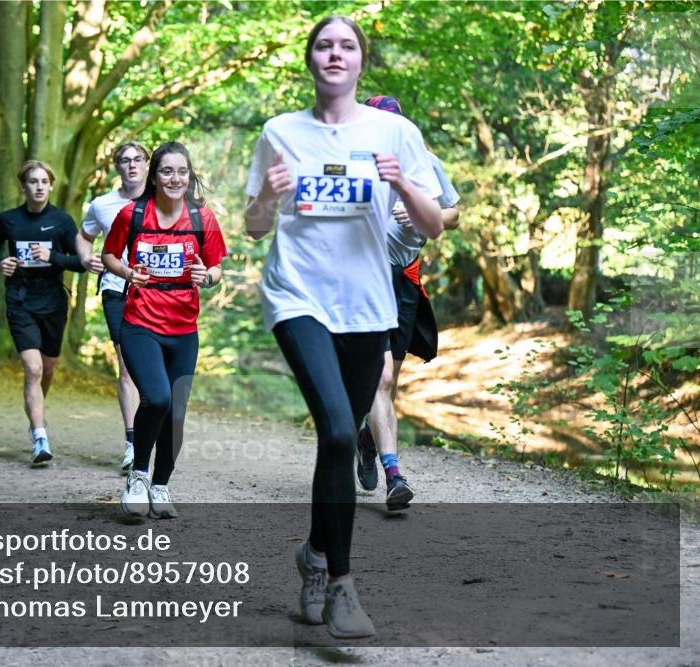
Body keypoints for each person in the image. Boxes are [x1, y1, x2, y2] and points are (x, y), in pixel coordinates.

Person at [244, 16, 443, 638]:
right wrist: (269, 198)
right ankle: (341, 588)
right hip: (297, 297)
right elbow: (253, 225)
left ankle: (314, 553)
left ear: (361, 61)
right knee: (337, 428)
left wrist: (401, 181)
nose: (336, 54)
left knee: (338, 439)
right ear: (310, 59)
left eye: (347, 46)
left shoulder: (395, 132)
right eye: (325, 45)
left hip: (368, 308)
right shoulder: (280, 132)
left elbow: (434, 225)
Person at [102, 141, 226, 519]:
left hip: (184, 329)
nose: (175, 178)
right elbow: (108, 255)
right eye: (167, 171)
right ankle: (138, 475)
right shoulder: (133, 214)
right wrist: (125, 271)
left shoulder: (202, 219)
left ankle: (160, 485)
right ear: (154, 177)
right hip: (140, 322)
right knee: (157, 398)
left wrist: (208, 277)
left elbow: (217, 266)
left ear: (190, 177)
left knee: (176, 413)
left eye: (182, 171)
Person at [355, 95, 461, 510]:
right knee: (379, 380)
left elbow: (453, 216)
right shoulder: (353, 165)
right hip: (362, 279)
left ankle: (368, 438)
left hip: (403, 281)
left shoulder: (424, 163)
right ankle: (394, 477)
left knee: (388, 382)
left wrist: (426, 210)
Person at [0, 160, 85, 465]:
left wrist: (53, 257)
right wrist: (1, 262)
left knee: (48, 368)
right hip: (21, 300)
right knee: (33, 368)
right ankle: (39, 436)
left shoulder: (62, 221)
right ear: (23, 186)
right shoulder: (9, 220)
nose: (39, 187)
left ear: (51, 186)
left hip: (53, 301)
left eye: (44, 181)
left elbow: (81, 261)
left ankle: (35, 410)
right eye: (33, 182)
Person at [76, 142, 150, 471]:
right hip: (117, 289)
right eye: (124, 160)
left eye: (137, 160)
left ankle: (152, 433)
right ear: (116, 166)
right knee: (127, 366)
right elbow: (84, 236)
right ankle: (133, 444)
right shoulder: (102, 205)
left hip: (159, 293)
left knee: (155, 370)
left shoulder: (163, 200)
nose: (131, 165)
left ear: (148, 164)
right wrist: (85, 258)